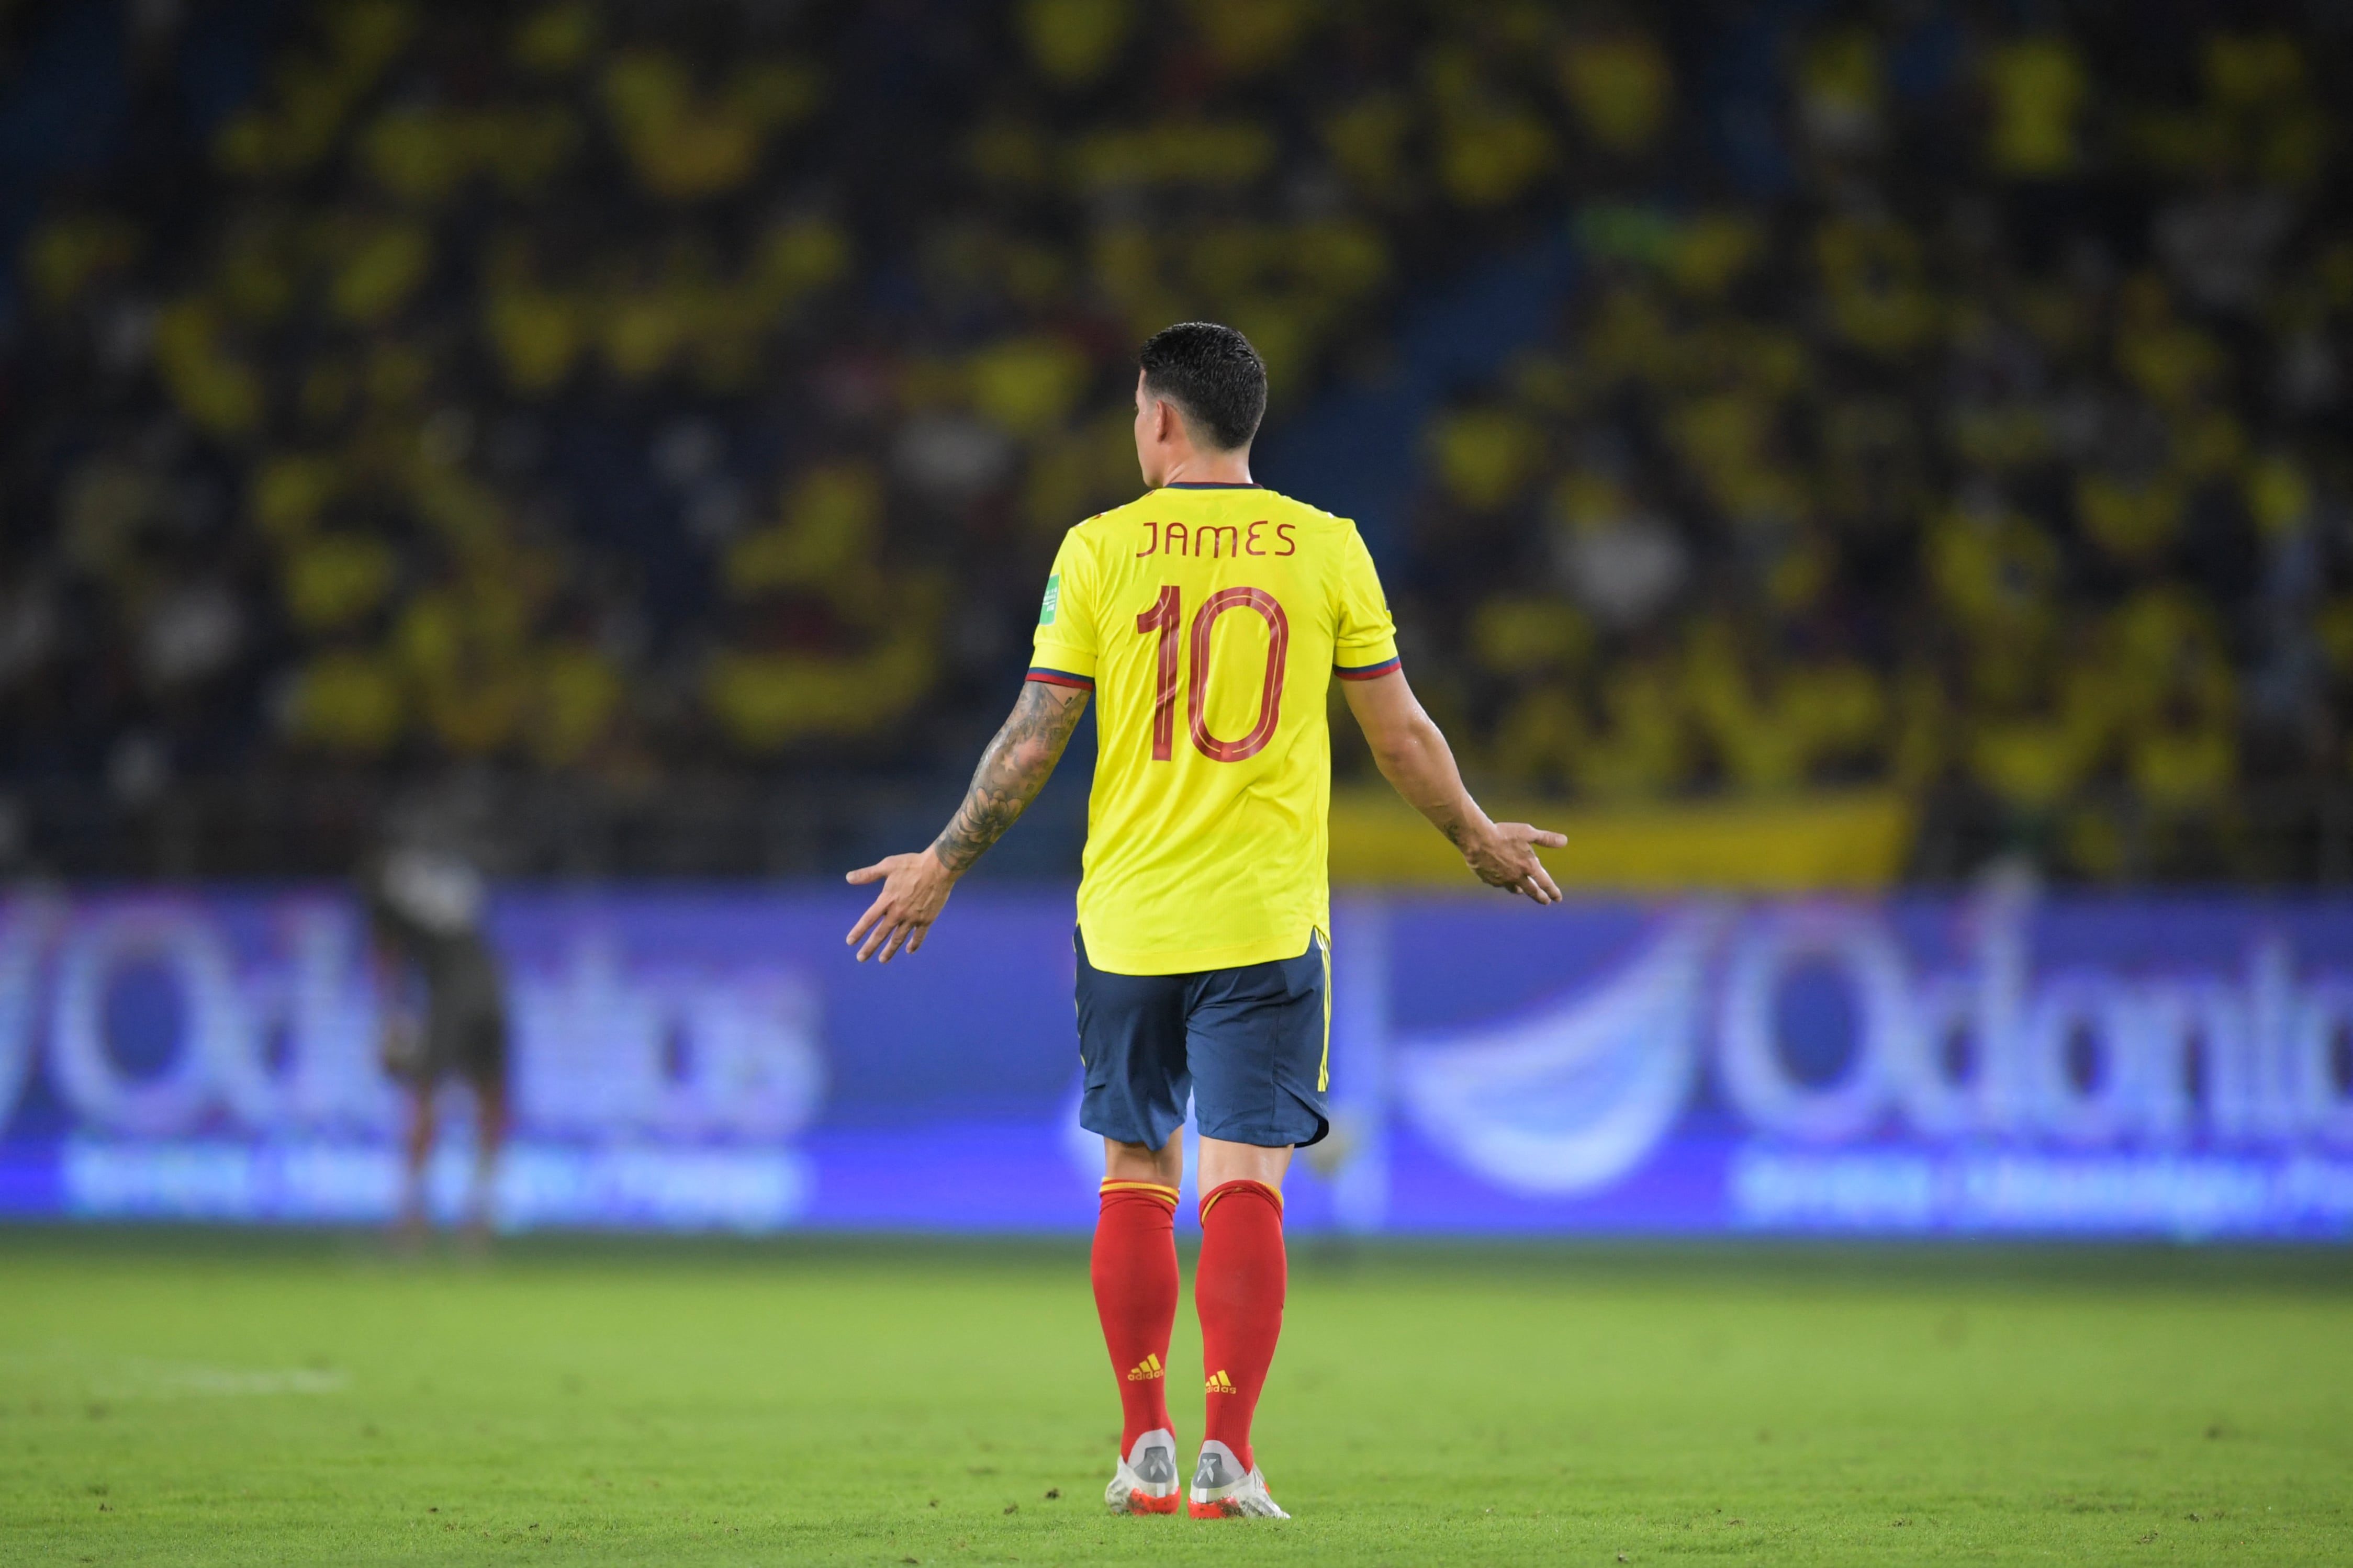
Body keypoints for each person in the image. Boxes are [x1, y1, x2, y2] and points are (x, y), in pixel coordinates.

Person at [844, 322, 1564, 1520]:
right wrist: (1477, 836)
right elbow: (1400, 736)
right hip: (1266, 926)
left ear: (1162, 420)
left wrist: (945, 859)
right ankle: (1229, 1453)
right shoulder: (1326, 548)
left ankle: (1146, 1447)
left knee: (1135, 1170)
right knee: (1246, 1184)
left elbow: (1033, 738)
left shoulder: (1097, 551)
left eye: (1136, 413)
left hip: (1126, 924)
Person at [364, 838, 510, 1245]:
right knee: (490, 1101)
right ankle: (479, 1218)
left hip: (448, 998)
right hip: (491, 990)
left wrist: (391, 1018)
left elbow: (387, 958)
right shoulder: (457, 870)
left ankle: (412, 1218)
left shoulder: (385, 885)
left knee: (425, 1098)